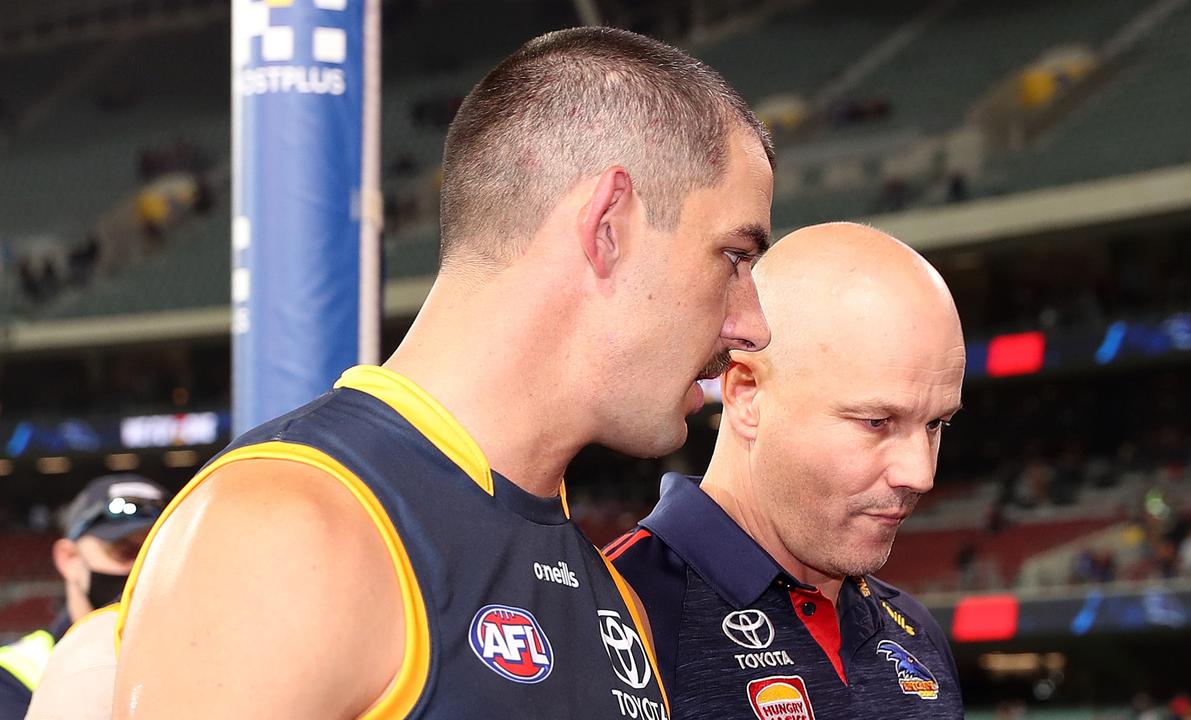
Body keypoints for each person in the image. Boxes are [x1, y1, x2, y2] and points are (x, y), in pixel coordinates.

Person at [111, 27, 774, 719]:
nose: (753, 325)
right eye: (733, 256)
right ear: (608, 224)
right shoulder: (285, 528)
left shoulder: (613, 597)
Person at [606, 222, 967, 718]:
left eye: (935, 424)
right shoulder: (614, 611)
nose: (920, 473)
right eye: (876, 422)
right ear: (746, 395)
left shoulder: (916, 633)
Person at [0, 475, 168, 719]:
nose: (141, 567)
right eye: (124, 551)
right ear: (69, 559)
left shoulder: (197, 654)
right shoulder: (11, 675)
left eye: (157, 551)